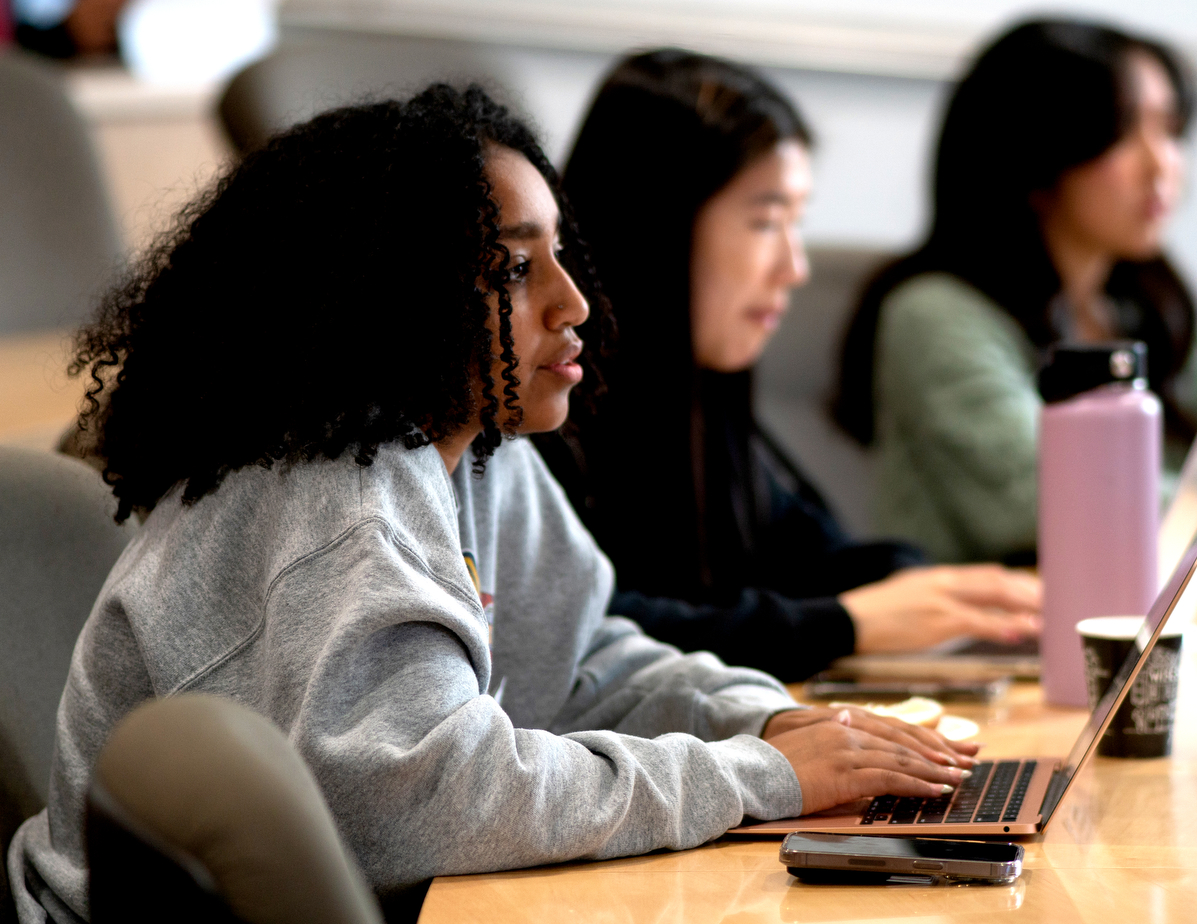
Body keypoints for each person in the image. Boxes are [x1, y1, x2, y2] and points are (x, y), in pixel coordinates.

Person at [8, 84, 981, 924]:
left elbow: (580, 659)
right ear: (394, 294)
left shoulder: (477, 449)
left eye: (559, 253)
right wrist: (757, 780)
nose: (574, 302)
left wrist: (770, 725)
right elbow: (422, 799)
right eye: (516, 269)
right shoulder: (327, 499)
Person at [537, 49, 1039, 685]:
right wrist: (843, 624)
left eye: (796, 223)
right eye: (767, 222)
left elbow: (813, 555)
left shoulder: (703, 397)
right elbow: (593, 629)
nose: (794, 268)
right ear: (658, 224)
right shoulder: (540, 413)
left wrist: (934, 586)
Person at [833, 19, 1197, 565]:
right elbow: (1066, 503)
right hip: (983, 650)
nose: (1162, 165)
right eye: (1125, 132)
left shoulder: (1140, 305)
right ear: (1035, 150)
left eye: (1171, 130)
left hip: (1142, 622)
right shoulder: (935, 314)